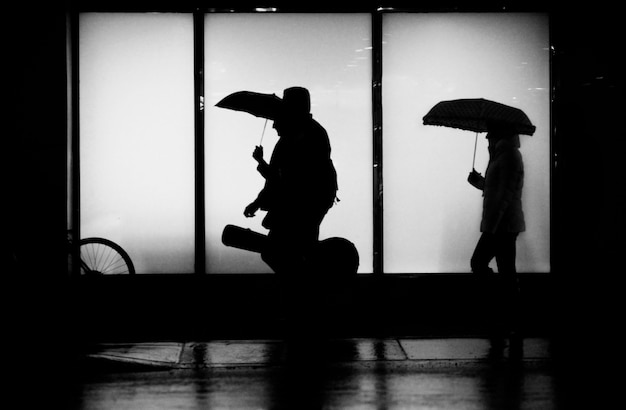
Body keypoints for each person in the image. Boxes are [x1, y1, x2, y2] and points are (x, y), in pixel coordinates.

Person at [244, 87, 338, 275]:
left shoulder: (309, 137)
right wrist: (262, 164)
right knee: (290, 250)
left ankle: (300, 286)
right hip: (307, 201)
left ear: (290, 114)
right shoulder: (308, 135)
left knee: (284, 250)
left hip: (308, 202)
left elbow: (284, 180)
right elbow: (279, 180)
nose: (273, 125)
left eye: (277, 119)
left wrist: (259, 201)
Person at [467, 121, 525, 333]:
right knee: (506, 271)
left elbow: (504, 195)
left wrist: (492, 226)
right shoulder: (505, 156)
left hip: (502, 225)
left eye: (488, 136)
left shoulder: (507, 157)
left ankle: (503, 312)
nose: (486, 141)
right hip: (503, 224)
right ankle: (509, 316)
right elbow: (500, 189)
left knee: (481, 263)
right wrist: (480, 182)